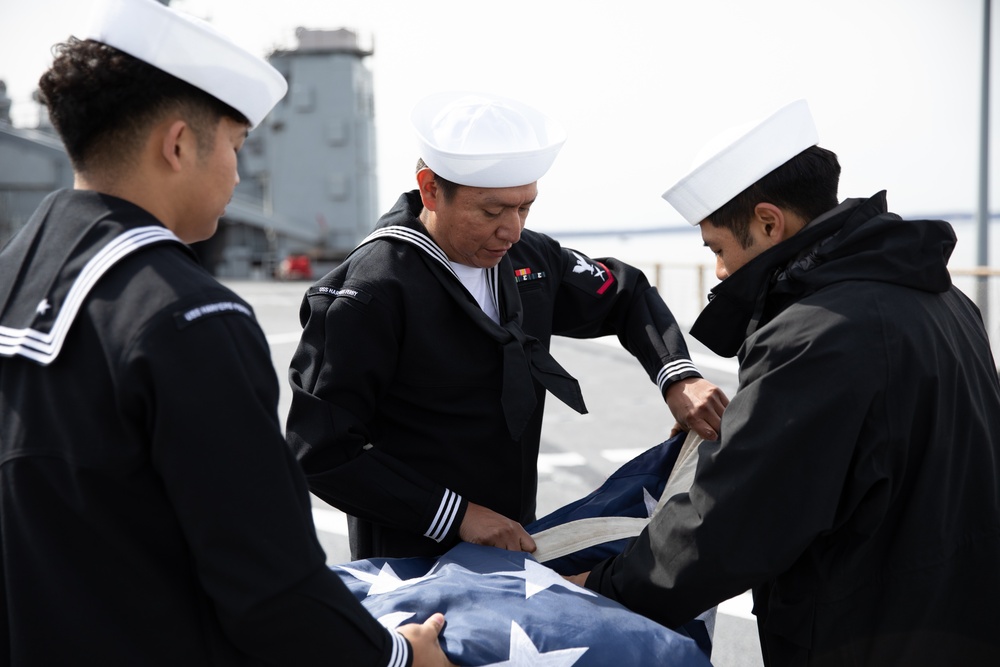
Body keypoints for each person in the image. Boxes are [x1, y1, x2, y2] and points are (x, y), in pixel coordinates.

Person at [0, 0, 452, 665]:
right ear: (179, 144)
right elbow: (271, 588)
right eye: (236, 146)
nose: (239, 173)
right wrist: (401, 656)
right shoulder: (187, 317)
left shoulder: (16, 280)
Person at [570, 100, 1000, 665]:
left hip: (867, 634)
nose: (720, 271)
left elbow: (734, 517)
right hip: (965, 618)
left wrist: (603, 588)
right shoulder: (947, 301)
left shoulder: (814, 336)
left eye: (719, 249)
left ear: (770, 222)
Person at [285, 91, 728, 561]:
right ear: (431, 188)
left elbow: (626, 294)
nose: (512, 230)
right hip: (411, 554)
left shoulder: (529, 260)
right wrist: (457, 515)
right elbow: (321, 451)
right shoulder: (370, 291)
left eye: (525, 208)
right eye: (492, 211)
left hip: (515, 539)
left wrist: (678, 376)